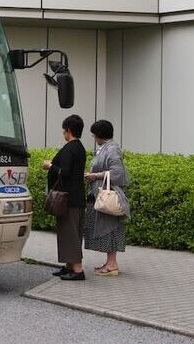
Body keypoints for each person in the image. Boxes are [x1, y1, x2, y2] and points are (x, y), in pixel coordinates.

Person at [42, 114, 87, 281]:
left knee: (70, 233)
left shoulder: (70, 148)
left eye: (64, 130)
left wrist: (50, 166)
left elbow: (65, 172)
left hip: (68, 198)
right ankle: (69, 266)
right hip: (77, 197)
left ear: (68, 130)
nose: (63, 133)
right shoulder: (80, 147)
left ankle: (77, 270)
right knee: (72, 232)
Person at [84, 119, 130, 276]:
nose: (94, 138)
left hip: (107, 196)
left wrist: (95, 176)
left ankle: (112, 265)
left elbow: (118, 173)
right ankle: (110, 263)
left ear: (100, 135)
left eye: (94, 135)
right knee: (107, 228)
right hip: (102, 194)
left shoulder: (112, 149)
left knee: (110, 229)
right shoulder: (107, 148)